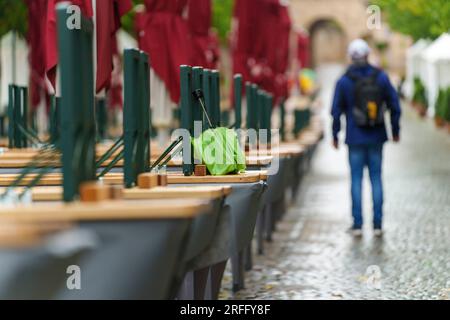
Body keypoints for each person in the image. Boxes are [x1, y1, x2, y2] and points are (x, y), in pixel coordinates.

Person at [331, 39, 402, 237]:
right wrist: (395, 130)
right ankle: (378, 224)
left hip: (354, 137)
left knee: (356, 180)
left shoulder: (344, 80)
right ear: (368, 55)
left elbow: (335, 110)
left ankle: (357, 225)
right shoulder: (381, 77)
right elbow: (395, 105)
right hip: (377, 135)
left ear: (351, 56)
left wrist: (335, 134)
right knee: (376, 179)